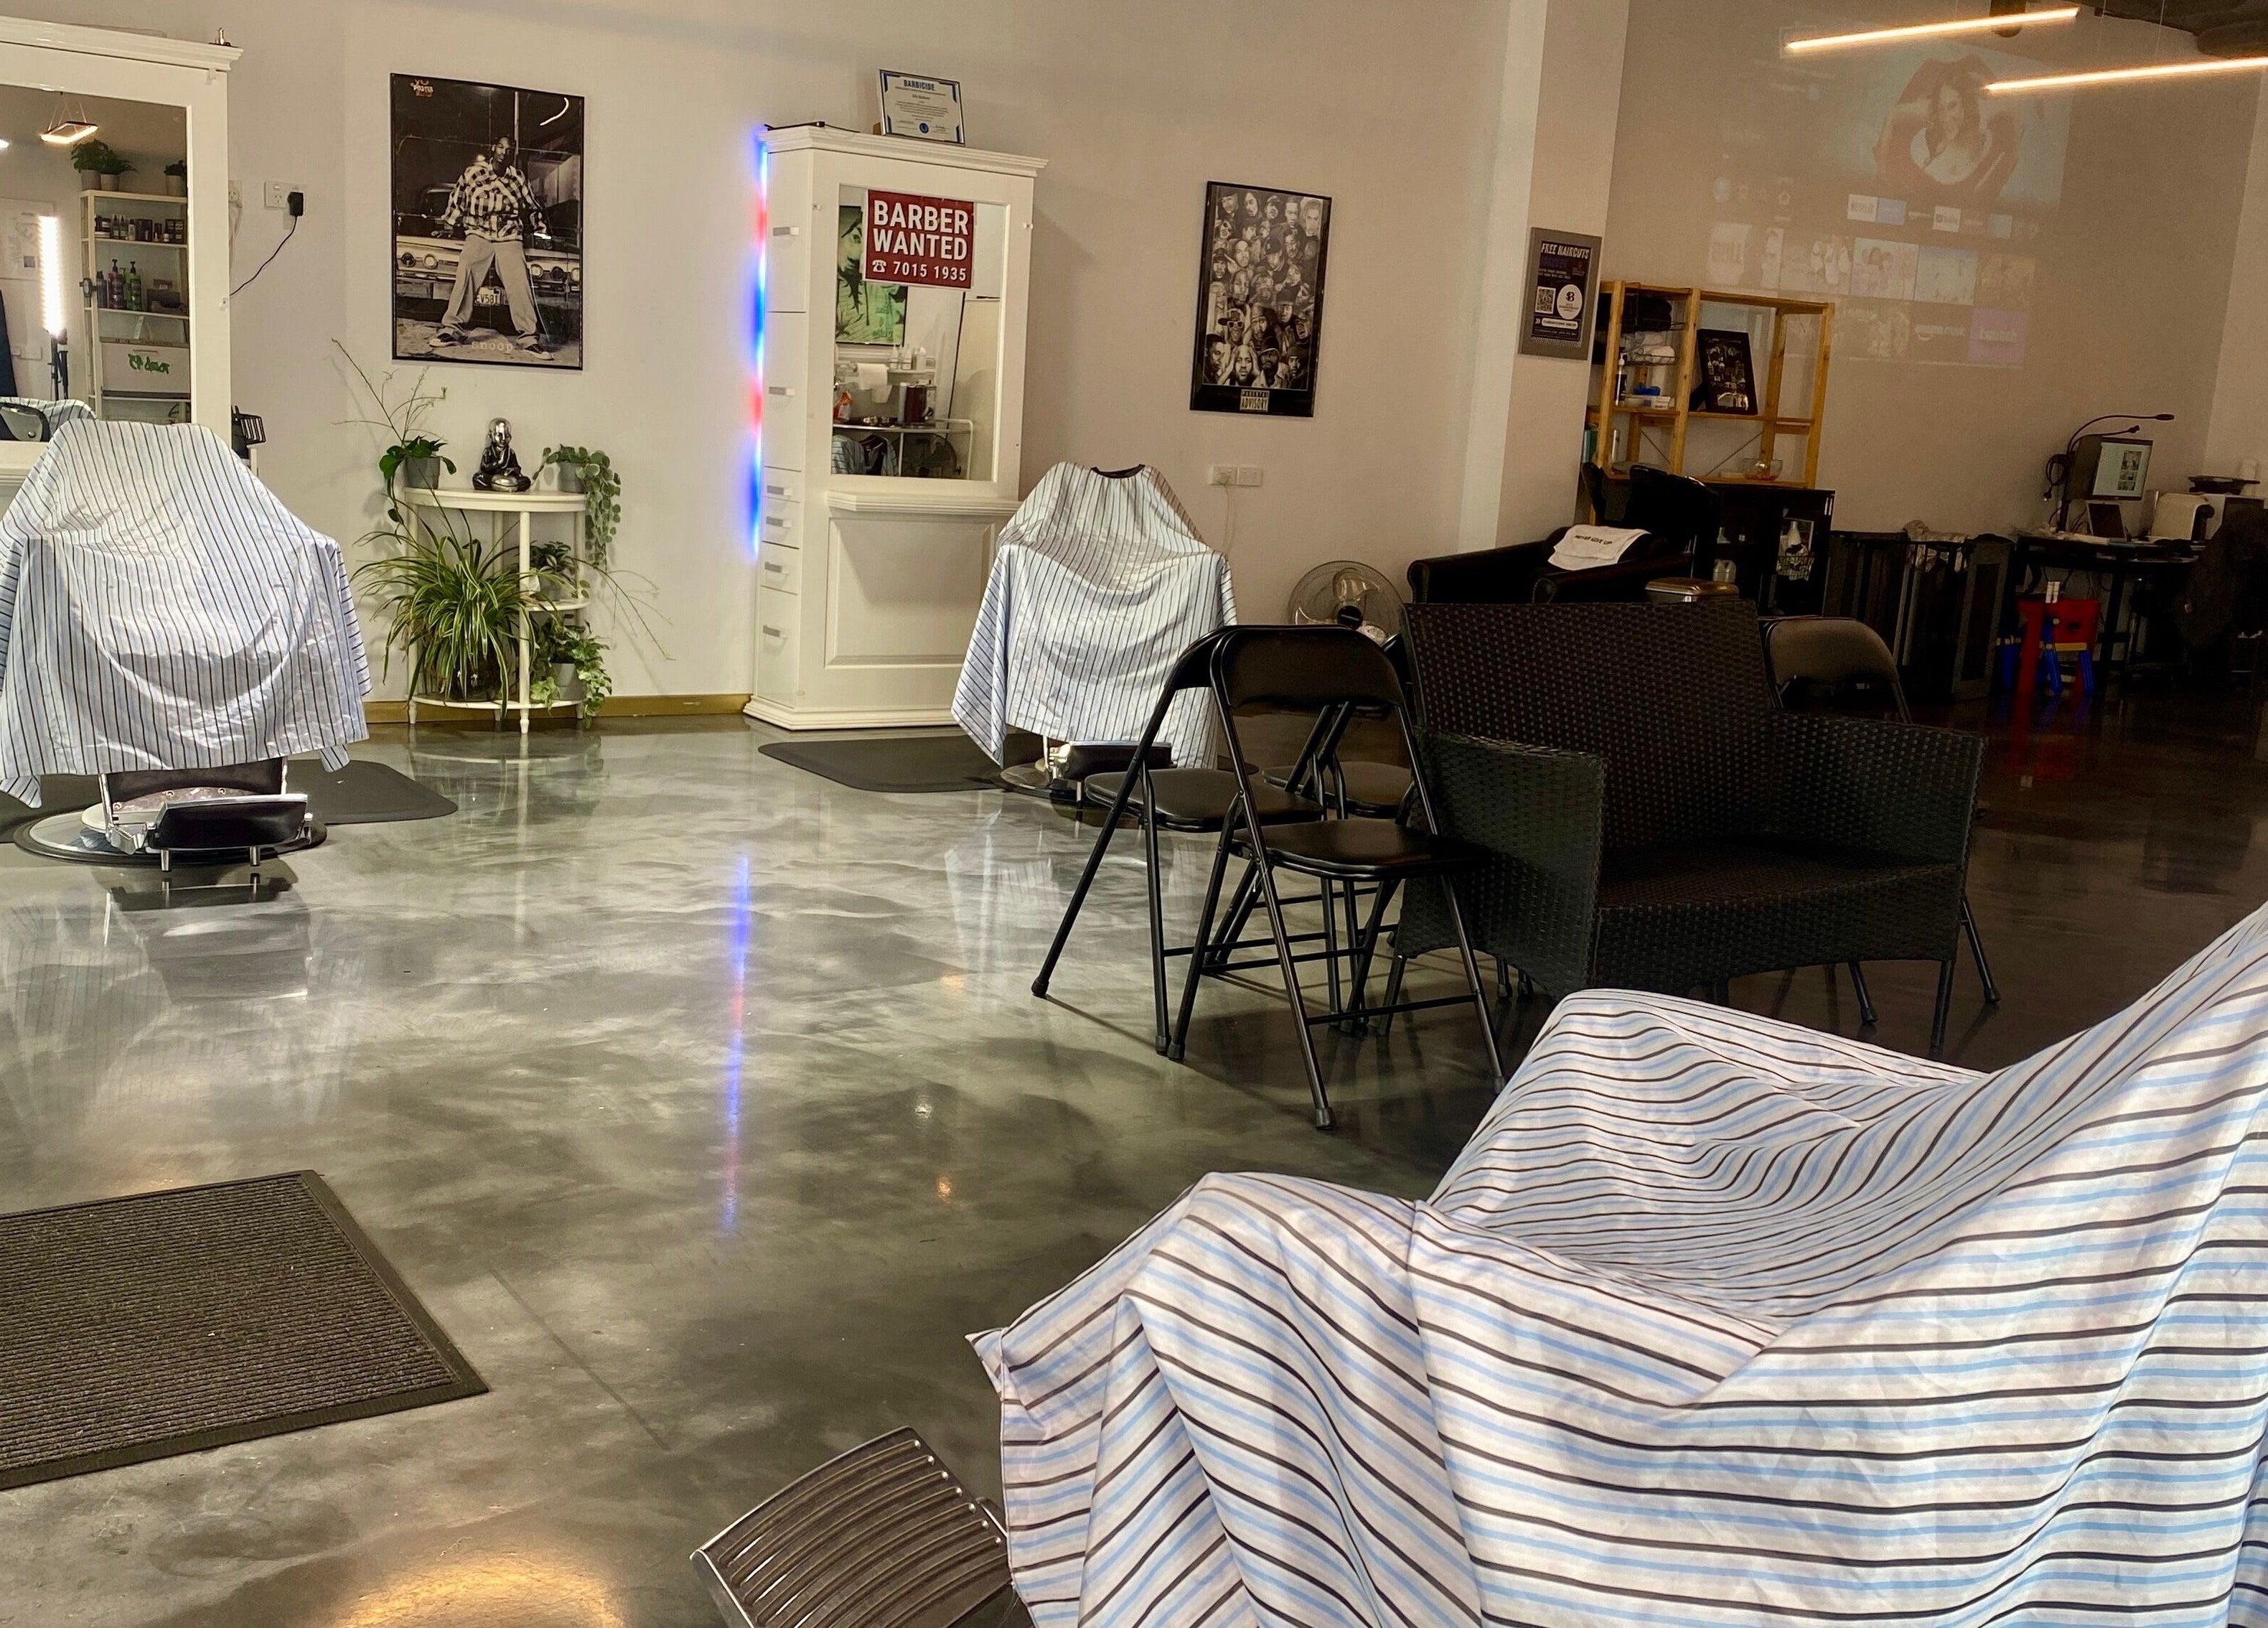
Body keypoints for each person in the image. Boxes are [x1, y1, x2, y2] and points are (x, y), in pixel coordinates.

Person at [433, 134, 550, 352]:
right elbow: (457, 201)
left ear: (513, 153)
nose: (505, 152)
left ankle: (529, 337)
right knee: (466, 269)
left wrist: (541, 232)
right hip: (479, 232)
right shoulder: (473, 173)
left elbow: (533, 206)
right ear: (493, 149)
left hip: (508, 235)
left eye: (510, 149)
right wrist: (448, 225)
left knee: (519, 279)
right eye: (501, 147)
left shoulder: (518, 178)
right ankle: (451, 329)